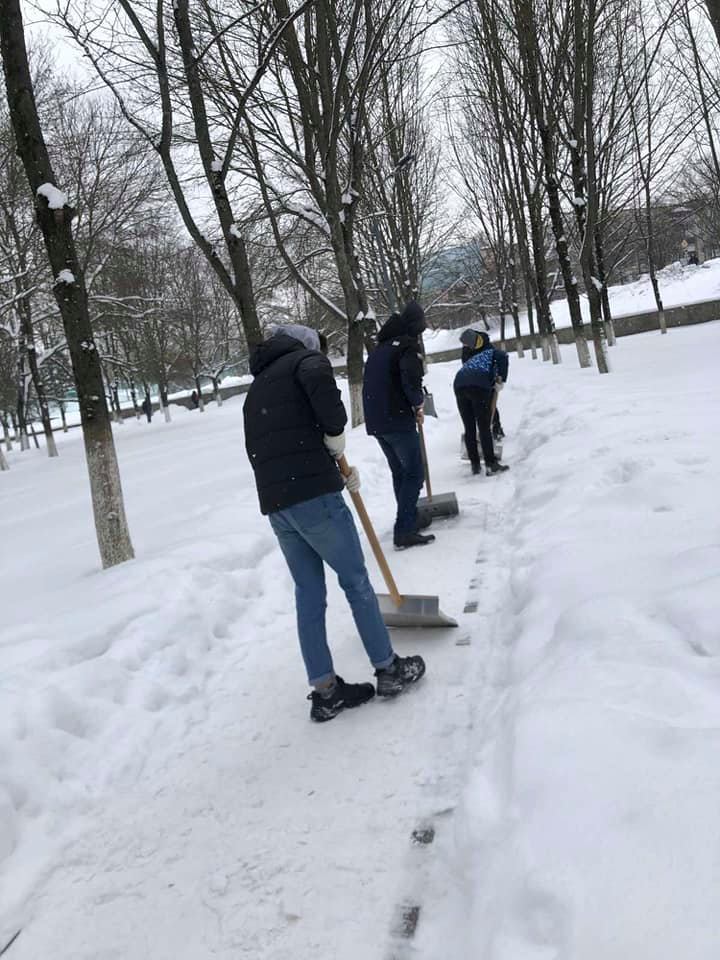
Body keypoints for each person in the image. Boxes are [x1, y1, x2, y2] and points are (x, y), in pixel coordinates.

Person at [243, 322, 426, 722]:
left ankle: (326, 692)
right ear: (307, 345)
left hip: (278, 506)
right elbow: (328, 410)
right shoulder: (306, 362)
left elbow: (272, 445)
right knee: (356, 582)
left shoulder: (257, 387)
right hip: (315, 498)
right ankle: (388, 669)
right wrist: (333, 438)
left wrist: (329, 464)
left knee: (308, 593)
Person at [362, 301, 434, 550]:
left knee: (400, 473)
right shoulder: (406, 346)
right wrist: (417, 402)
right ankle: (404, 530)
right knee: (414, 473)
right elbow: (410, 380)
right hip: (396, 419)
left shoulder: (380, 348)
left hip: (377, 421)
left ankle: (410, 518)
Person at [455, 329, 509, 476]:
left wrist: (495, 379)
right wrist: (502, 379)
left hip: (459, 383)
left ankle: (475, 465)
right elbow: (503, 356)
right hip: (478, 384)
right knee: (484, 426)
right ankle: (491, 464)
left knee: (469, 427)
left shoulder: (478, 353)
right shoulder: (492, 352)